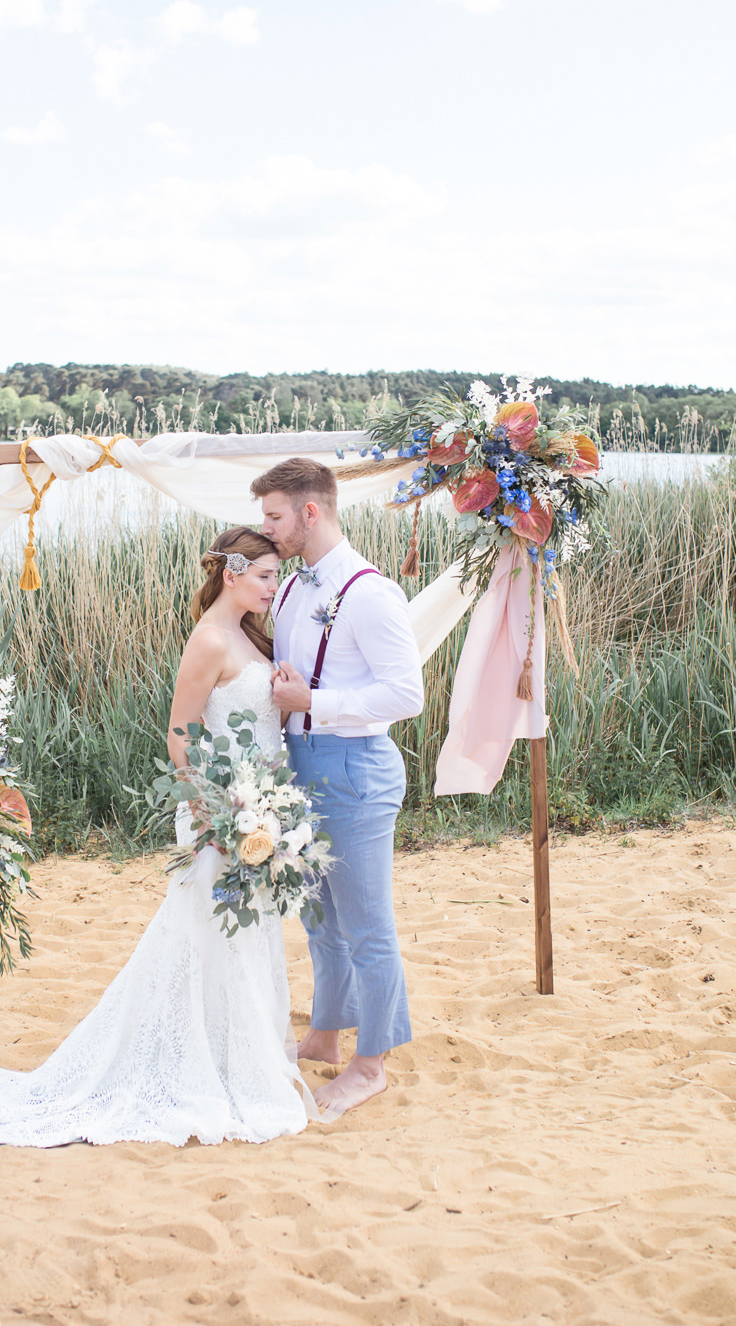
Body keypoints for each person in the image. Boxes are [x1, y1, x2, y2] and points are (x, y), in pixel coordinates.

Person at [0, 527, 315, 1150]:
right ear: (234, 573)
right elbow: (180, 732)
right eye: (267, 576)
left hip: (254, 809)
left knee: (239, 935)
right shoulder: (210, 638)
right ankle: (210, 1064)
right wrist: (213, 809)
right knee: (210, 932)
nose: (275, 587)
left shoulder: (246, 634)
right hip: (220, 812)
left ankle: (240, 1055)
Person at [252, 457, 423, 1116]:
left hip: (355, 768)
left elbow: (405, 694)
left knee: (367, 926)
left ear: (310, 512)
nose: (266, 530)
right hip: (300, 761)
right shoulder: (294, 587)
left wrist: (315, 701)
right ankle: (325, 1033)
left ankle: (372, 1062)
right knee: (319, 916)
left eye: (274, 516)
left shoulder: (370, 592)